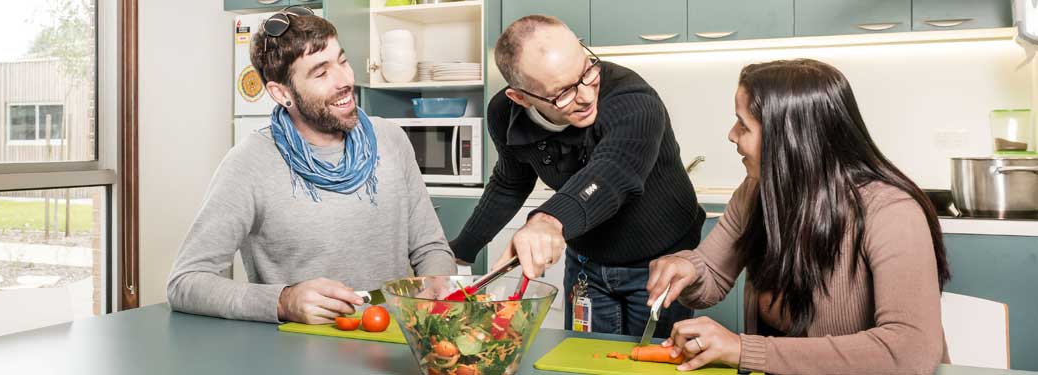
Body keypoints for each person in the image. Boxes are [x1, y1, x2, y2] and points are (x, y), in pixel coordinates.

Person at [646, 59, 949, 374]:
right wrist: (687, 268)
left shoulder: (892, 212)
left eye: (743, 125)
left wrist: (742, 349)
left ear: (788, 138)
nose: (731, 135)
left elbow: (909, 353)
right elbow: (713, 274)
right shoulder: (755, 191)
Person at [166, 7, 455, 324]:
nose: (345, 80)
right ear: (282, 93)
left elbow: (430, 248)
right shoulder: (249, 164)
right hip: (300, 353)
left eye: (342, 61)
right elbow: (186, 281)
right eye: (321, 73)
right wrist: (283, 301)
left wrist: (438, 285)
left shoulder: (392, 140)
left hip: (396, 343)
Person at [449, 15, 704, 337]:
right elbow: (510, 182)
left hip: (662, 263)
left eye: (587, 72)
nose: (585, 95)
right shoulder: (504, 112)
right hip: (587, 265)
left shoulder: (634, 99)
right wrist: (461, 251)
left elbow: (613, 172)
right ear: (521, 97)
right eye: (563, 92)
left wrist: (547, 221)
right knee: (584, 361)